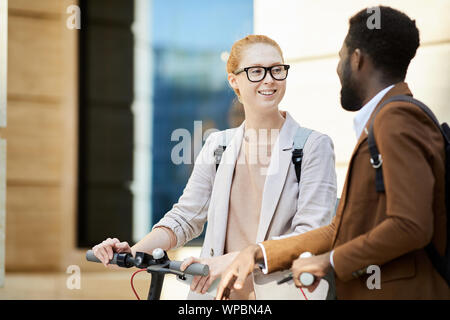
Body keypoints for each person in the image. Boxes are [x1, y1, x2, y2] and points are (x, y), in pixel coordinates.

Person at [216, 7, 450, 300]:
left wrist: (329, 261)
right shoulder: (387, 120)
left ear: (357, 59)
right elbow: (339, 228)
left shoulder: (395, 120)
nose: (338, 68)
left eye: (341, 56)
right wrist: (260, 251)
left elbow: (411, 225)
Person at [92, 35, 337, 300]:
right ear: (234, 81)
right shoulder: (218, 145)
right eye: (256, 71)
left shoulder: (313, 146)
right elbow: (186, 217)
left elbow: (312, 236)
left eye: (277, 70)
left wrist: (236, 259)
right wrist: (135, 252)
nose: (269, 79)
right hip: (214, 296)